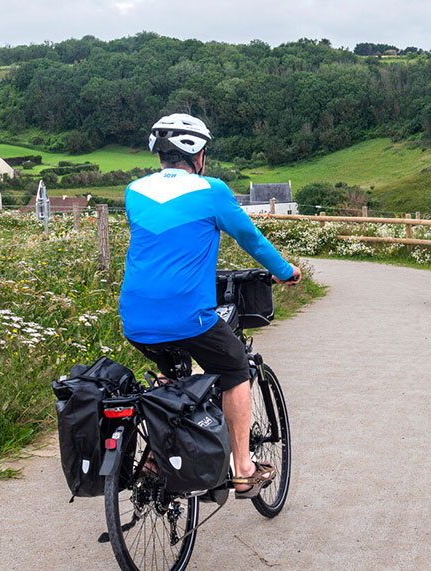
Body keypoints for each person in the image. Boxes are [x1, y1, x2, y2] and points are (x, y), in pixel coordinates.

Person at [118, 113, 302, 499]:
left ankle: (155, 457)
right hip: (187, 315)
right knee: (234, 366)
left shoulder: (134, 191)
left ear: (159, 153)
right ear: (198, 154)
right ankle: (244, 470)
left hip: (134, 318)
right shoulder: (212, 190)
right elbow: (250, 239)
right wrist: (286, 272)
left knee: (172, 370)